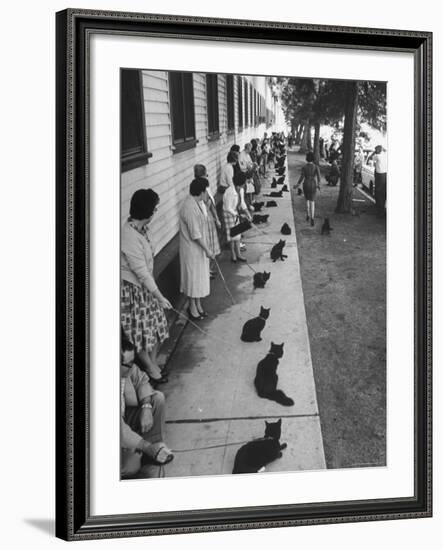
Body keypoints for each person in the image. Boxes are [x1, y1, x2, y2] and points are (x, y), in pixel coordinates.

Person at [121, 189, 171, 384]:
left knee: (159, 326)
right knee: (140, 333)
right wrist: (159, 296)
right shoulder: (128, 236)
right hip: (133, 291)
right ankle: (151, 368)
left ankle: (152, 364)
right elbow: (140, 272)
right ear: (147, 210)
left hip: (147, 287)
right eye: (155, 207)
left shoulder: (142, 229)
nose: (156, 210)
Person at [121, 335, 174, 479]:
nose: (133, 366)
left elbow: (143, 380)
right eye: (129, 363)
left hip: (125, 417)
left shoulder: (128, 369)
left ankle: (152, 447)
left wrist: (146, 406)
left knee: (157, 397)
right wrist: (145, 446)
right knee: (131, 467)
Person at [179, 177, 214, 320]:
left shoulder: (197, 203)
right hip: (192, 249)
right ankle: (192, 309)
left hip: (198, 249)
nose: (207, 194)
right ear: (201, 191)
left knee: (199, 278)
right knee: (192, 279)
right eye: (206, 191)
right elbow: (195, 234)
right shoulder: (189, 207)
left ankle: (198, 305)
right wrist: (208, 250)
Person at [194, 164, 221, 279]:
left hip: (209, 218)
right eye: (205, 175)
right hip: (203, 220)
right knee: (207, 244)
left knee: (211, 244)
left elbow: (212, 204)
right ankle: (207, 270)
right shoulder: (197, 189)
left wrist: (217, 218)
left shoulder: (207, 187)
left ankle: (209, 268)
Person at [223, 171, 251, 262]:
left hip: (235, 212)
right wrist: (238, 215)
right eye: (244, 182)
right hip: (229, 214)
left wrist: (247, 214)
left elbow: (242, 202)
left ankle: (238, 254)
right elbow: (227, 208)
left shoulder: (240, 190)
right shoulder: (230, 192)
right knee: (232, 234)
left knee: (238, 235)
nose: (245, 184)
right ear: (240, 183)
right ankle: (233, 255)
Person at [294, 151, 322, 227]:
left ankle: (308, 215)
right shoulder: (316, 167)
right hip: (313, 184)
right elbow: (319, 177)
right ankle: (312, 218)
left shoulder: (304, 167)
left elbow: (302, 177)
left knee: (307, 200)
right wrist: (319, 185)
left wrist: (298, 184)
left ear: (307, 158)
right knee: (312, 201)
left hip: (306, 183)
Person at [368, 145, 387, 217]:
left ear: (377, 150)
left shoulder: (377, 156)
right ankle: (382, 209)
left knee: (378, 193)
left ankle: (380, 211)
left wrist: (374, 152)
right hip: (385, 174)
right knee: (383, 193)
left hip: (380, 175)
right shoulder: (384, 155)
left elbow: (370, 157)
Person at [238, 142, 255, 209]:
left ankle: (251, 202)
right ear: (247, 148)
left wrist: (252, 164)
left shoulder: (247, 154)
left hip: (249, 172)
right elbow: (241, 166)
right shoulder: (241, 155)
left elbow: (250, 161)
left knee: (251, 187)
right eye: (250, 149)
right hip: (244, 174)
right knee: (247, 189)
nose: (250, 151)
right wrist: (248, 166)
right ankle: (248, 204)